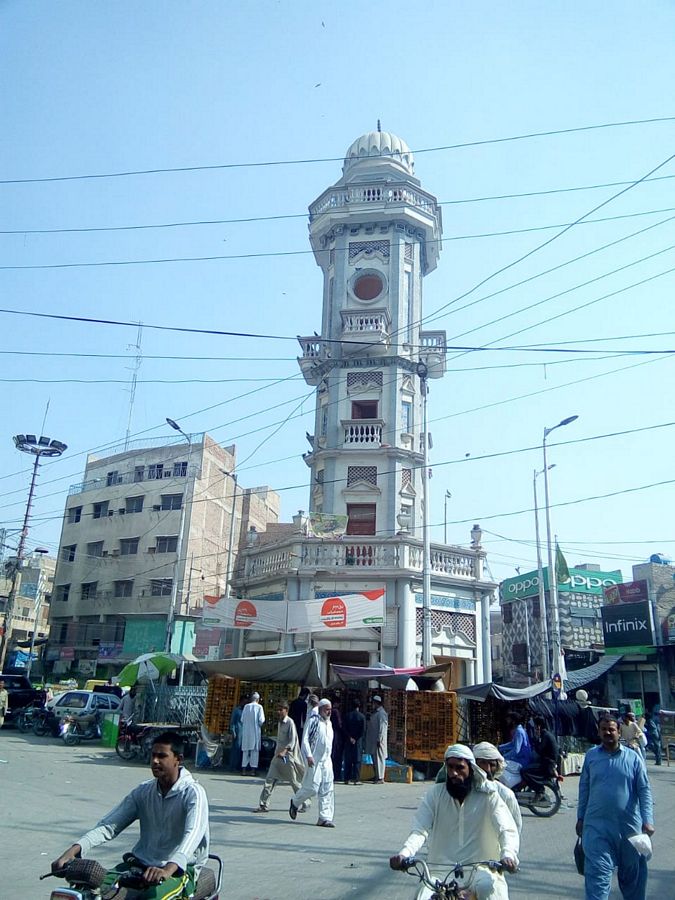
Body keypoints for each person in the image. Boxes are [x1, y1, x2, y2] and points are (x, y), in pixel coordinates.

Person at [51, 732, 209, 900]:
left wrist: (168, 869)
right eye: (153, 755)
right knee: (95, 890)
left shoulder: (193, 793)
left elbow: (192, 835)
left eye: (162, 756)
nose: (155, 761)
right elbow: (109, 826)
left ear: (179, 759)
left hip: (178, 871)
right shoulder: (143, 791)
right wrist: (74, 850)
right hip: (139, 865)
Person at [390, 744, 519, 900]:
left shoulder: (489, 796)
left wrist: (508, 855)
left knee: (489, 890)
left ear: (471, 769)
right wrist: (404, 854)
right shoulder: (435, 795)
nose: (454, 773)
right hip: (440, 872)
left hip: (481, 871)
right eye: (450, 767)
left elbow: (506, 829)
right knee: (423, 895)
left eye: (460, 768)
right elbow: (420, 830)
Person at [576, 714, 655, 900]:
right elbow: (584, 788)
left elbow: (644, 790)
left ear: (619, 732)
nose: (608, 733)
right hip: (597, 829)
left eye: (611, 729)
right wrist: (580, 818)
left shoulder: (633, 758)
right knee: (598, 876)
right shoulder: (591, 757)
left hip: (629, 830)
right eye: (603, 729)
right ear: (598, 732)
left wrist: (648, 820)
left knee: (632, 880)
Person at [289, 697, 335, 827]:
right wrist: (308, 756)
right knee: (312, 788)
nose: (329, 712)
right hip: (314, 761)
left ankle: (324, 818)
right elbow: (305, 740)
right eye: (327, 710)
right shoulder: (313, 721)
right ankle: (295, 802)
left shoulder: (329, 724)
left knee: (327, 789)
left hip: (327, 761)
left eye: (330, 710)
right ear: (320, 709)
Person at [253, 700, 305, 813]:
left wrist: (285, 751)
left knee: (294, 782)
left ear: (286, 710)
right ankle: (263, 804)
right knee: (269, 780)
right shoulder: (280, 723)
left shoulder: (290, 723)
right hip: (277, 757)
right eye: (277, 709)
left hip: (287, 758)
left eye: (281, 710)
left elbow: (293, 741)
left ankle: (305, 802)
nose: (278, 712)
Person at [520, 715, 559, 799]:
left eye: (535, 726)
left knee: (524, 771)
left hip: (547, 764)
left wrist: (536, 739)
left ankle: (539, 790)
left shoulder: (545, 736)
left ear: (539, 726)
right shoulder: (547, 734)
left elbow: (539, 750)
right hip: (548, 762)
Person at [498, 713, 532, 789]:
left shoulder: (519, 732)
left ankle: (509, 786)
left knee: (499, 765)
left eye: (509, 719)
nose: (507, 721)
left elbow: (516, 750)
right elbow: (512, 744)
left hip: (521, 760)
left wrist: (503, 757)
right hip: (520, 759)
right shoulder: (519, 730)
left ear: (513, 721)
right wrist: (499, 747)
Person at [240, 692, 265, 776]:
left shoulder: (246, 707)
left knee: (245, 752)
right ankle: (252, 771)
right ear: (258, 699)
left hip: (246, 733)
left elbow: (242, 719)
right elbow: (261, 720)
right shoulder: (259, 707)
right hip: (255, 733)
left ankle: (243, 770)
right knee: (254, 752)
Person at [366, 695, 388, 784]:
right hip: (374, 740)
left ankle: (380, 777)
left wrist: (380, 739)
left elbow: (382, 727)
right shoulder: (376, 712)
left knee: (379, 758)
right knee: (375, 758)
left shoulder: (382, 713)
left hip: (379, 741)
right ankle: (376, 775)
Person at [343, 698, 366, 785]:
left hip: (348, 741)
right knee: (357, 760)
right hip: (357, 742)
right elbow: (363, 731)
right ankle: (356, 779)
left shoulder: (347, 716)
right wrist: (356, 738)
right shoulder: (362, 717)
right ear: (359, 706)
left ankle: (346, 779)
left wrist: (350, 737)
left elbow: (344, 728)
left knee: (348, 760)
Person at [330, 697, 345, 781]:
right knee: (336, 756)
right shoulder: (335, 711)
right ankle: (336, 774)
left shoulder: (329, 711)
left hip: (332, 734)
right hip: (337, 736)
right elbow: (339, 725)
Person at [229, 700, 245, 772]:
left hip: (243, 733)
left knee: (240, 750)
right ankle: (233, 766)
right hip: (237, 732)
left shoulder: (245, 710)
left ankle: (238, 766)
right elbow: (232, 722)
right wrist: (233, 731)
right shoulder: (236, 710)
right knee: (236, 749)